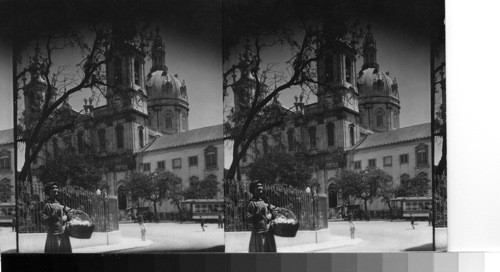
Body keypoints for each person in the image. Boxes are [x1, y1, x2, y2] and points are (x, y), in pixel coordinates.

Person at [41, 182, 73, 253]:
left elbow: (70, 212)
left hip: (64, 233)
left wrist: (67, 217)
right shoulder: (47, 205)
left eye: (56, 187)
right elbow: (43, 220)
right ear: (49, 191)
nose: (56, 189)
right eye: (53, 188)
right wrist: (53, 216)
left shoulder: (60, 203)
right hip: (53, 234)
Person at [246, 181, 277, 252]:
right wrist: (256, 215)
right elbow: (247, 218)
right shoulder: (252, 203)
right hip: (258, 233)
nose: (260, 187)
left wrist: (271, 215)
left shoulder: (266, 201)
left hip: (268, 231)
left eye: (261, 186)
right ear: (253, 189)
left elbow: (275, 210)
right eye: (257, 186)